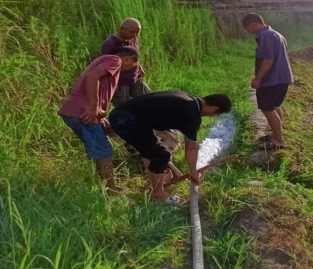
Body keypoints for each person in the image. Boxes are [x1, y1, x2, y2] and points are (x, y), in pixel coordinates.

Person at [108, 91, 232, 206]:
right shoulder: (192, 114)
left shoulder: (187, 99)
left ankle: (153, 185)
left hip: (124, 115)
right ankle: (159, 195)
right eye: (216, 114)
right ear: (215, 109)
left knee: (150, 150)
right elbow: (191, 148)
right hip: (126, 120)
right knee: (161, 155)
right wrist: (193, 171)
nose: (212, 116)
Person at [58, 46, 139, 196]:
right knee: (104, 150)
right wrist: (92, 105)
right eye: (131, 66)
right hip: (82, 112)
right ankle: (111, 191)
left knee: (99, 147)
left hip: (76, 111)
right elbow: (92, 77)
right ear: (128, 58)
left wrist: (101, 120)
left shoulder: (103, 61)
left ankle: (104, 186)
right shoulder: (115, 61)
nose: (126, 70)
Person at [241, 13, 293, 150]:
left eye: (248, 29)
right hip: (283, 78)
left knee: (267, 109)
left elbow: (268, 60)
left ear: (253, 24)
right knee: (275, 106)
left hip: (272, 80)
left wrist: (258, 78)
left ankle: (279, 140)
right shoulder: (277, 34)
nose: (249, 32)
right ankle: (275, 134)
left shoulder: (265, 36)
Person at [100, 18, 150, 107]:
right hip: (120, 82)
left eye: (137, 32)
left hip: (134, 78)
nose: (134, 35)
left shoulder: (133, 38)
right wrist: (113, 86)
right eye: (131, 32)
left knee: (148, 100)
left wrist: (140, 68)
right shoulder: (110, 44)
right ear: (121, 29)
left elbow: (134, 56)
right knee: (125, 108)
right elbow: (106, 68)